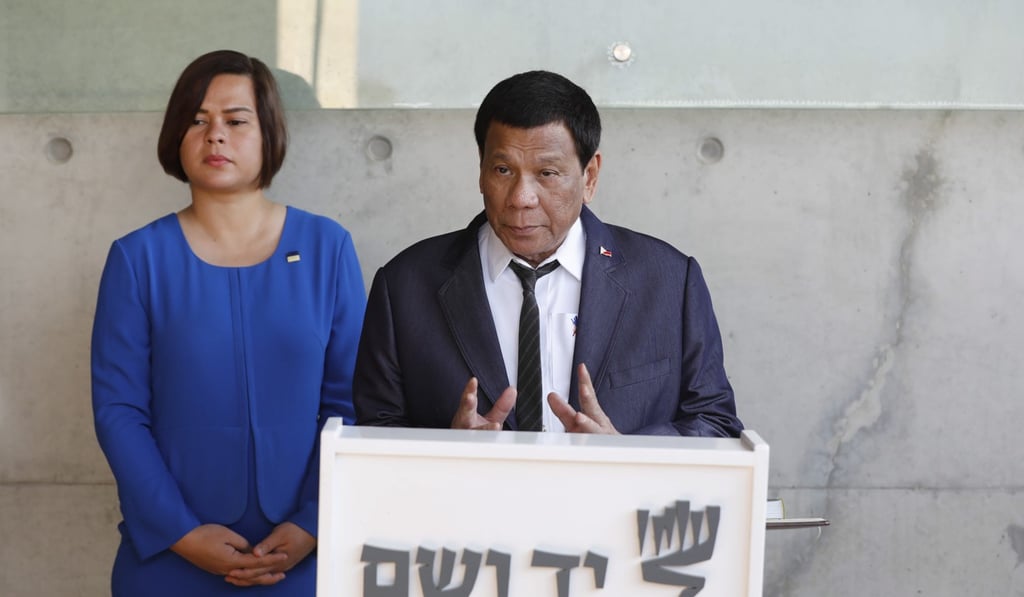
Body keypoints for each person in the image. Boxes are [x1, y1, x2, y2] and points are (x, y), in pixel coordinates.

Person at [91, 50, 366, 595]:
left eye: (236, 121)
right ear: (177, 136)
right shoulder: (137, 258)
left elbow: (353, 400)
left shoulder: (326, 247)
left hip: (303, 555)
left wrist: (312, 523)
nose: (216, 135)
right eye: (198, 120)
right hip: (169, 553)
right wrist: (181, 532)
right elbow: (119, 411)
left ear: (270, 135)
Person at [353, 70, 742, 437]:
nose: (521, 199)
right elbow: (374, 431)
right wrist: (450, 453)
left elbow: (715, 423)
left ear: (589, 177)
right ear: (481, 171)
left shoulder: (669, 281)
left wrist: (626, 454)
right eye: (503, 170)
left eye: (547, 174)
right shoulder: (405, 286)